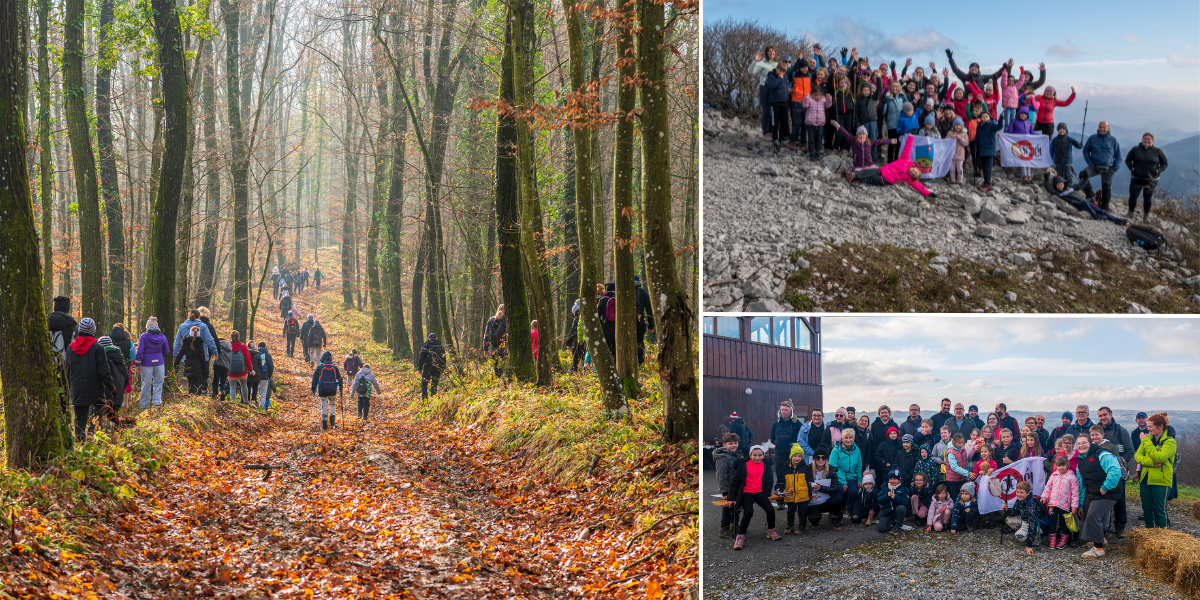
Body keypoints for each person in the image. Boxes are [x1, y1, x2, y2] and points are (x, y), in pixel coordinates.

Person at [65, 318, 115, 440]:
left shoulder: (71, 347)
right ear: (93, 331)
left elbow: (67, 369)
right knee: (98, 413)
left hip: (77, 388)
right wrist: (112, 388)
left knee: (80, 419)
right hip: (95, 388)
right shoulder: (98, 348)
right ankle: (91, 438)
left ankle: (80, 443)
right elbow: (104, 372)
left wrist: (68, 387)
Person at [840, 135, 936, 198]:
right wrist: (910, 137)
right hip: (882, 170)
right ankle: (852, 174)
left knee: (869, 179)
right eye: (915, 171)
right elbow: (908, 148)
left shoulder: (908, 177)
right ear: (916, 168)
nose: (913, 173)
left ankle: (851, 178)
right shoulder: (906, 159)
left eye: (913, 174)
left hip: (886, 180)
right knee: (867, 171)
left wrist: (928, 193)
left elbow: (918, 186)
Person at [1076, 433, 1123, 558]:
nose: (1081, 445)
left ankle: (1098, 549)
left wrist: (1105, 487)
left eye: (1084, 442)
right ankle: (1101, 538)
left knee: (1094, 515)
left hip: (1110, 492)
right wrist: (1081, 503)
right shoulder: (1080, 462)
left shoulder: (1102, 454)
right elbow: (1082, 485)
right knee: (1088, 512)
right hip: (1093, 493)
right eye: (1078, 444)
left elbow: (1115, 470)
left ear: (1091, 443)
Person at [730, 445, 780, 549]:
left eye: (760, 455)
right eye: (755, 455)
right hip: (746, 492)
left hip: (759, 492)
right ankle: (740, 536)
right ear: (750, 455)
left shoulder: (765, 465)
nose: (757, 458)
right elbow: (735, 482)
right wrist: (731, 498)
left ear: (763, 455)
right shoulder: (743, 465)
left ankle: (771, 530)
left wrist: (767, 494)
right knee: (748, 512)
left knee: (770, 509)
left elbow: (769, 480)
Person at [1134, 412, 1176, 529]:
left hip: (1160, 480)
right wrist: (1152, 463)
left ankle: (1161, 537)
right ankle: (1150, 533)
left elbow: (1160, 457)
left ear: (1160, 426)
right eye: (1148, 426)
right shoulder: (1149, 439)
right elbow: (1137, 456)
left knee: (1159, 510)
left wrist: (1146, 441)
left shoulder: (1170, 442)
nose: (1148, 429)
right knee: (1147, 509)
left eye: (1151, 426)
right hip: (1145, 479)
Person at [1044, 176, 1128, 224]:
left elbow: (1079, 186)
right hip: (1077, 205)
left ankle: (1116, 220)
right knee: (1085, 202)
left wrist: (1085, 179)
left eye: (1061, 184)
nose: (1060, 186)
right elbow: (1049, 189)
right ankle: (1094, 215)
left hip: (1084, 202)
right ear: (1055, 186)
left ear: (1063, 183)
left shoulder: (1070, 186)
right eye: (1058, 185)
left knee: (1102, 211)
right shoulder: (1058, 192)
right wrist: (1047, 180)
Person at [1125, 133, 1169, 221]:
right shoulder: (1135, 149)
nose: (1147, 141)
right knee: (1133, 195)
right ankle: (1130, 212)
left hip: (1152, 179)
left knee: (1148, 197)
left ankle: (1146, 215)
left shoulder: (1158, 151)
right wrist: (1131, 168)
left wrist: (1159, 170)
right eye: (1145, 139)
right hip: (1137, 177)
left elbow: (1165, 163)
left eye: (1149, 139)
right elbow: (1128, 160)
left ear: (1153, 141)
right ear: (1142, 140)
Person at [1079, 121, 1121, 211]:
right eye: (1100, 127)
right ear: (1098, 127)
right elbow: (1085, 150)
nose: (1102, 129)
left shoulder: (1113, 140)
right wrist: (1090, 163)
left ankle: (1105, 207)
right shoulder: (1092, 138)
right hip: (1094, 166)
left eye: (1104, 127)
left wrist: (1114, 169)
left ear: (1108, 129)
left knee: (1106, 187)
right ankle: (1090, 195)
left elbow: (1119, 156)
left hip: (1108, 167)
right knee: (1083, 174)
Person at [1043, 455, 1079, 549]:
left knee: (1065, 523)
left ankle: (1064, 540)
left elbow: (1075, 493)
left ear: (1067, 465)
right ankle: (1052, 539)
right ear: (1056, 466)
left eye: (1063, 465)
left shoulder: (1072, 477)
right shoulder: (1053, 476)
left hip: (1065, 505)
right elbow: (1048, 487)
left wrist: (1074, 506)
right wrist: (1044, 496)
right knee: (1052, 522)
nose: (1061, 467)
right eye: (1059, 466)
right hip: (1052, 504)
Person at [770, 400, 803, 501]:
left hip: (793, 456)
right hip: (779, 455)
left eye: (786, 410)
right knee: (780, 478)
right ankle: (780, 500)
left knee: (793, 477)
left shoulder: (797, 424)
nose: (783, 411)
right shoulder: (776, 424)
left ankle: (793, 497)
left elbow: (800, 439)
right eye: (782, 409)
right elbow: (772, 439)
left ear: (791, 411)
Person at [805, 445, 844, 530]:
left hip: (826, 501)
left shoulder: (831, 470)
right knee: (813, 519)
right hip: (812, 502)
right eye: (818, 457)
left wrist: (821, 488)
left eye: (823, 458)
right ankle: (814, 520)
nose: (821, 460)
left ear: (827, 459)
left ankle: (834, 517)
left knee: (838, 499)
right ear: (814, 458)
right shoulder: (807, 469)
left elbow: (835, 488)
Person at [135, 318, 170, 408]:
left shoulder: (144, 336)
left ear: (147, 327)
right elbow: (167, 351)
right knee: (158, 383)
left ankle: (144, 404)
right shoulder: (163, 336)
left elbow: (140, 351)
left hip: (146, 364)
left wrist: (137, 364)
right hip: (159, 363)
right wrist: (160, 357)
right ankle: (157, 402)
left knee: (146, 383)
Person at [1003, 482, 1045, 554]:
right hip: (1025, 521)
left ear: (1028, 493)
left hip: (1038, 525)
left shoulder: (1032, 504)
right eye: (1017, 492)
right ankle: (1025, 531)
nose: (1019, 495)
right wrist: (1006, 509)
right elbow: (1013, 512)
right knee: (1008, 519)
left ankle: (1035, 536)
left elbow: (1033, 523)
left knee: (1019, 537)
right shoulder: (1019, 500)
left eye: (1021, 492)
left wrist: (1029, 545)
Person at [713, 433, 742, 538]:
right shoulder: (722, 457)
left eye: (735, 443)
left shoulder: (737, 455)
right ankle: (724, 528)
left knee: (737, 506)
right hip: (729, 488)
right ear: (724, 445)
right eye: (730, 443)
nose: (733, 445)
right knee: (727, 507)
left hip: (738, 488)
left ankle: (734, 524)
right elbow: (721, 475)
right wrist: (724, 492)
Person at [830, 429, 862, 521]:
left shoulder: (857, 451)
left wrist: (859, 480)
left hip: (851, 476)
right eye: (846, 438)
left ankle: (849, 509)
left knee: (853, 492)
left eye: (850, 438)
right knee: (839, 489)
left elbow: (859, 466)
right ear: (842, 439)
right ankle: (837, 511)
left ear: (854, 438)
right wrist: (844, 483)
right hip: (838, 476)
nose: (848, 440)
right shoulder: (836, 451)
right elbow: (833, 467)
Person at [778, 445, 810, 534]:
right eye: (795, 456)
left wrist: (811, 494)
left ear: (802, 457)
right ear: (791, 456)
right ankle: (790, 525)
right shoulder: (784, 468)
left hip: (803, 494)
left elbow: (810, 482)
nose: (797, 458)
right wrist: (780, 490)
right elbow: (780, 481)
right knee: (790, 510)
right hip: (790, 494)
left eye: (799, 456)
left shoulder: (806, 468)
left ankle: (802, 526)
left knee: (802, 511)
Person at [96, 335, 128, 426]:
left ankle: (109, 437)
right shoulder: (119, 356)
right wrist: (121, 390)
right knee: (113, 418)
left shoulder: (101, 357)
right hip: (118, 392)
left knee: (104, 421)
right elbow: (126, 377)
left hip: (105, 393)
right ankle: (115, 436)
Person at [973, 108, 1006, 192]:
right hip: (981, 150)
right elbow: (977, 136)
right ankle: (986, 181)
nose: (984, 118)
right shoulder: (979, 127)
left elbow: (999, 126)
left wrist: (1001, 120)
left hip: (990, 150)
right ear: (981, 118)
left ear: (989, 117)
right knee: (984, 167)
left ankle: (987, 183)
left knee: (988, 168)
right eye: (983, 117)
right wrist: (974, 141)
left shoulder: (992, 125)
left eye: (986, 117)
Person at [749, 47, 779, 138]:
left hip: (774, 89)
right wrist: (755, 61)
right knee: (766, 111)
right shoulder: (761, 63)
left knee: (773, 112)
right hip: (764, 88)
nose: (771, 53)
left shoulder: (777, 64)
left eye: (773, 51)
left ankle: (772, 132)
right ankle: (765, 133)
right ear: (766, 53)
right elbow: (751, 71)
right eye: (769, 51)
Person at [311, 350, 343, 430]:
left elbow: (314, 379)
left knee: (324, 406)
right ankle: (332, 423)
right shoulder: (334, 367)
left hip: (322, 390)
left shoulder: (320, 367)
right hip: (333, 390)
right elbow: (340, 378)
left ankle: (324, 426)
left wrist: (313, 389)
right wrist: (341, 389)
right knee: (332, 405)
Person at [764, 58, 792, 146]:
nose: (782, 73)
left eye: (784, 72)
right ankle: (775, 139)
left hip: (785, 102)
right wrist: (779, 78)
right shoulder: (771, 77)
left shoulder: (786, 77)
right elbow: (771, 86)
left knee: (784, 122)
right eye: (780, 71)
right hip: (775, 103)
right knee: (774, 122)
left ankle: (782, 139)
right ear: (777, 69)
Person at [174, 326, 208, 394]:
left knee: (190, 382)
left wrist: (176, 366)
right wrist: (205, 368)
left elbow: (179, 354)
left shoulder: (186, 342)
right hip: (197, 366)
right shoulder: (199, 343)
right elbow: (202, 357)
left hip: (188, 365)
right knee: (194, 383)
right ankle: (192, 394)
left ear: (190, 333)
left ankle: (191, 394)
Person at [876, 467, 909, 535]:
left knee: (901, 508)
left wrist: (896, 497)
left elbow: (905, 502)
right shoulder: (885, 488)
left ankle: (898, 526)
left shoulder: (902, 489)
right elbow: (879, 500)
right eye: (890, 479)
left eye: (894, 479)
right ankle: (890, 522)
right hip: (887, 512)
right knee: (881, 529)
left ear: (899, 480)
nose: (892, 481)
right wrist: (886, 496)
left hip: (897, 511)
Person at [226, 331, 254, 407]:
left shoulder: (228, 346)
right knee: (244, 385)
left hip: (231, 371)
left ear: (231, 337)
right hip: (242, 371)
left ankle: (233, 403)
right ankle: (245, 401)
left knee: (232, 386)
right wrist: (250, 369)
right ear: (239, 337)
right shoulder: (243, 346)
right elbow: (248, 359)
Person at [416, 333, 446, 400]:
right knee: (434, 384)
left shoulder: (426, 345)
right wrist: (442, 369)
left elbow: (421, 358)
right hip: (437, 368)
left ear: (429, 338)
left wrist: (420, 368)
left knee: (424, 383)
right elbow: (443, 358)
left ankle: (424, 399)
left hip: (427, 368)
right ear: (436, 338)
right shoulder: (440, 346)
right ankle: (433, 399)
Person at [633, 276, 654, 365]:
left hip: (626, 322)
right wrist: (651, 325)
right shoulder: (644, 293)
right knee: (640, 342)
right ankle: (640, 363)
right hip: (640, 321)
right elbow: (649, 310)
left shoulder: (624, 291)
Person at [483, 305, 507, 376]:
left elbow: (486, 335)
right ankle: (505, 384)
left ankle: (499, 383)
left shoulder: (491, 320)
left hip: (493, 348)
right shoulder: (506, 320)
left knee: (497, 369)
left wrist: (485, 348)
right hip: (504, 348)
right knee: (505, 369)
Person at [212, 336, 232, 401]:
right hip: (226, 367)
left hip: (218, 365)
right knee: (223, 381)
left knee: (215, 380)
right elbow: (230, 359)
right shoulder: (229, 348)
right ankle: (223, 391)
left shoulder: (218, 346)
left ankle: (215, 393)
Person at [256, 343, 274, 410]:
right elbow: (271, 367)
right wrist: (269, 375)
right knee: (263, 391)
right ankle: (261, 405)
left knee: (255, 390)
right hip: (264, 376)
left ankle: (254, 403)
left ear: (258, 346)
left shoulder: (256, 354)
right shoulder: (268, 355)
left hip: (256, 375)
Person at [246, 342, 263, 408]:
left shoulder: (245, 353)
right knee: (255, 388)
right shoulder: (258, 353)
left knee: (247, 386)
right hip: (256, 373)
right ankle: (253, 401)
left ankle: (247, 400)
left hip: (247, 372)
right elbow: (260, 365)